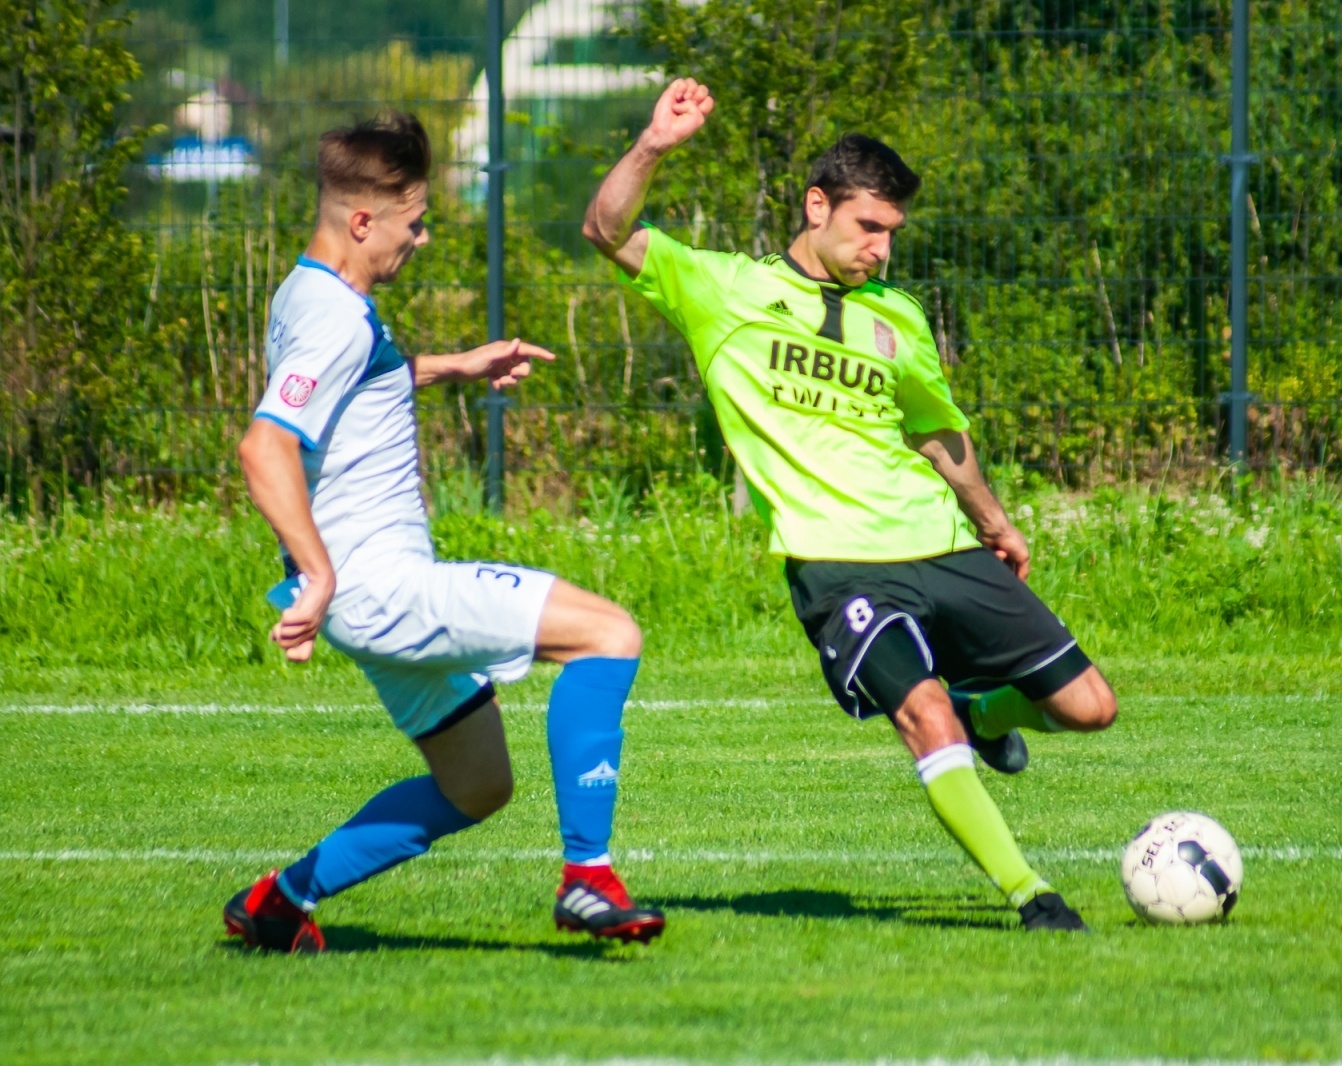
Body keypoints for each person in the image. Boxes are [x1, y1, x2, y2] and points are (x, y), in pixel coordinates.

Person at [583, 81, 1118, 931]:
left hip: (939, 544)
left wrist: (995, 522)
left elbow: (937, 433)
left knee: (1090, 708)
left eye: (893, 232)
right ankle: (1032, 896)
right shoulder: (724, 290)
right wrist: (654, 144)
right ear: (816, 206)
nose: (882, 249)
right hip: (837, 564)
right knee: (923, 713)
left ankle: (987, 712)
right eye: (869, 226)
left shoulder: (898, 317)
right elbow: (607, 230)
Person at [223, 112, 664, 953]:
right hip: (382, 588)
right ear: (363, 220)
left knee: (477, 785)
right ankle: (589, 877)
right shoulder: (336, 317)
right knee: (609, 634)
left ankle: (279, 902)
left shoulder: (308, 294)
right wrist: (318, 576)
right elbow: (264, 446)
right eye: (415, 222)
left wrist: (456, 365)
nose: (421, 239)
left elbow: (350, 387)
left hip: (372, 594)